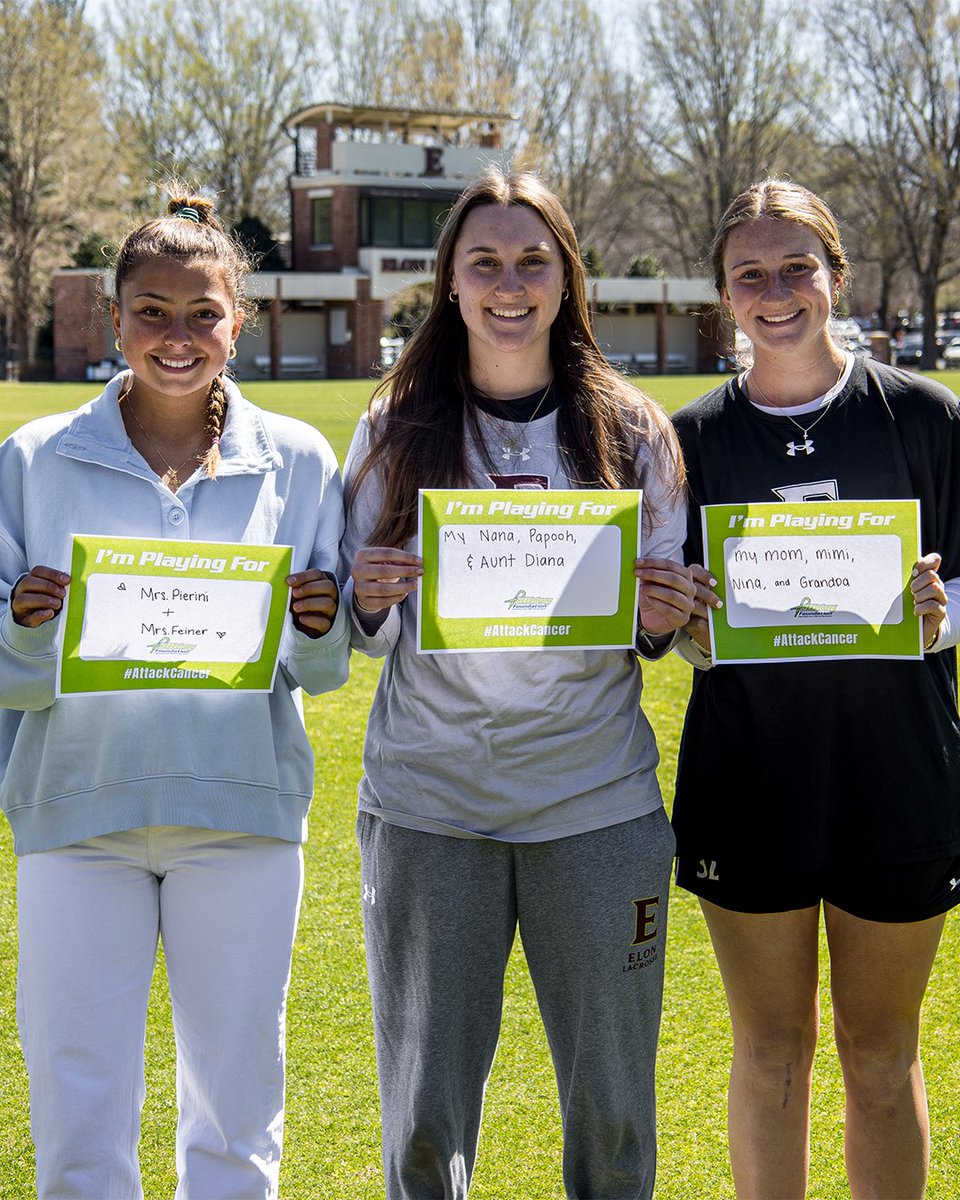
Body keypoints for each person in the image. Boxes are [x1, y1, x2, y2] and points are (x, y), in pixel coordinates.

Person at [338, 167, 698, 1200]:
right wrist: (367, 597)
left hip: (593, 806)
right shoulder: (395, 425)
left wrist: (659, 615)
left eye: (532, 260)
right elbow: (357, 637)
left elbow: (653, 627)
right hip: (430, 805)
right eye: (483, 260)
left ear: (566, 278)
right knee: (423, 1120)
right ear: (449, 281)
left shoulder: (631, 429)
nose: (509, 282)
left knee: (615, 1114)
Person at [0, 190, 349, 1199]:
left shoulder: (296, 460)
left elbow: (318, 669)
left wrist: (317, 628)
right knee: (77, 1112)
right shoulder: (30, 462)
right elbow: (8, 670)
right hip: (77, 815)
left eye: (203, 312)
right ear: (115, 322)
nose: (178, 334)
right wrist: (23, 624)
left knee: (238, 1116)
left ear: (238, 321)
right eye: (151, 310)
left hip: (238, 815)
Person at [671, 178, 960, 1200]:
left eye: (799, 266)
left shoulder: (926, 416)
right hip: (748, 775)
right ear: (724, 294)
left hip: (898, 772)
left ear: (836, 276)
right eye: (750, 273)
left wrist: (942, 613)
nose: (777, 289)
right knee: (771, 1054)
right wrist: (691, 622)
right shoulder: (689, 438)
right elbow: (665, 617)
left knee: (881, 1056)